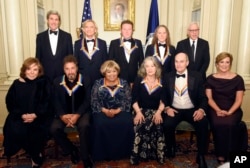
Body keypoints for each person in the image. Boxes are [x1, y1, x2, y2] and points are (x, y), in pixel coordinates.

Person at [162, 52, 209, 168]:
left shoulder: (197, 76)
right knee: (167, 124)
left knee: (203, 123)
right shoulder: (168, 76)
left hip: (192, 109)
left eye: (181, 61)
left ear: (187, 63)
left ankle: (201, 155)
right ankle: (171, 147)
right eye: (176, 61)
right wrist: (167, 108)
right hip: (175, 109)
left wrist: (201, 110)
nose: (178, 64)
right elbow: (164, 96)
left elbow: (203, 97)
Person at [3, 57, 51, 168]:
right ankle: (35, 153)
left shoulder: (44, 82)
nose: (32, 72)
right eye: (29, 69)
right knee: (15, 127)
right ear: (24, 70)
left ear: (39, 71)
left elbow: (47, 102)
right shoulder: (17, 84)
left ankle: (35, 155)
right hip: (20, 116)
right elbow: (10, 103)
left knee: (35, 129)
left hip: (39, 116)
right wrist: (22, 115)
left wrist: (35, 115)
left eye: (35, 69)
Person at [50, 55, 92, 167]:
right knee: (54, 128)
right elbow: (55, 101)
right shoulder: (57, 81)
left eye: (72, 68)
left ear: (77, 68)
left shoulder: (86, 79)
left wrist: (77, 115)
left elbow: (88, 100)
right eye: (67, 69)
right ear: (63, 69)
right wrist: (62, 116)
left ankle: (85, 156)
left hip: (81, 113)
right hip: (63, 114)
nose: (70, 71)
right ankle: (71, 149)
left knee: (85, 125)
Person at [205, 52, 248, 164]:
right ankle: (221, 154)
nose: (224, 65)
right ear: (217, 64)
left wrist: (229, 112)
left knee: (229, 123)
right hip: (214, 108)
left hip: (233, 109)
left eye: (227, 62)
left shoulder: (238, 79)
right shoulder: (210, 79)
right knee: (217, 123)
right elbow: (209, 99)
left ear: (230, 64)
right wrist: (218, 110)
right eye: (222, 62)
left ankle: (230, 154)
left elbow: (239, 100)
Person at [91, 60, 134, 161]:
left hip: (121, 111)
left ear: (118, 72)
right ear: (104, 73)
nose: (112, 74)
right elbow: (94, 101)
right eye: (109, 72)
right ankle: (102, 154)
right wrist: (105, 110)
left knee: (127, 122)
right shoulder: (98, 83)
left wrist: (117, 111)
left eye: (114, 71)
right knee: (99, 123)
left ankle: (124, 153)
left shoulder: (124, 82)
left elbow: (128, 100)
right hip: (102, 111)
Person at [130, 57, 165, 165]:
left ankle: (156, 155)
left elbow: (164, 100)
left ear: (157, 67)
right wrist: (138, 113)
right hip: (140, 109)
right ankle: (137, 155)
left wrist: (159, 112)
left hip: (156, 110)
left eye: (152, 65)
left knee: (158, 124)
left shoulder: (163, 81)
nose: (150, 69)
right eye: (147, 66)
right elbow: (134, 99)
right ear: (144, 68)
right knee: (140, 123)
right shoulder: (138, 79)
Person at [36, 10, 73, 82]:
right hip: (45, 76)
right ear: (47, 20)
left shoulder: (67, 36)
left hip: (62, 75)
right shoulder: (40, 37)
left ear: (59, 22)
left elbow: (70, 58)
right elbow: (38, 57)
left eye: (56, 19)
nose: (54, 22)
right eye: (51, 19)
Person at [109, 20, 144, 87]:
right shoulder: (114, 43)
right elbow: (110, 63)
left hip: (135, 78)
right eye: (124, 29)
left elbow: (142, 62)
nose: (127, 31)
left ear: (132, 31)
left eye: (129, 29)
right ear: (121, 30)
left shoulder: (138, 43)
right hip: (118, 78)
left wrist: (140, 77)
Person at [74, 19, 108, 86]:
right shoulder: (77, 44)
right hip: (82, 78)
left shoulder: (102, 43)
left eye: (91, 27)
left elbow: (105, 62)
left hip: (99, 77)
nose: (89, 29)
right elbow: (76, 62)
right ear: (83, 29)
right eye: (86, 27)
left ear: (95, 30)